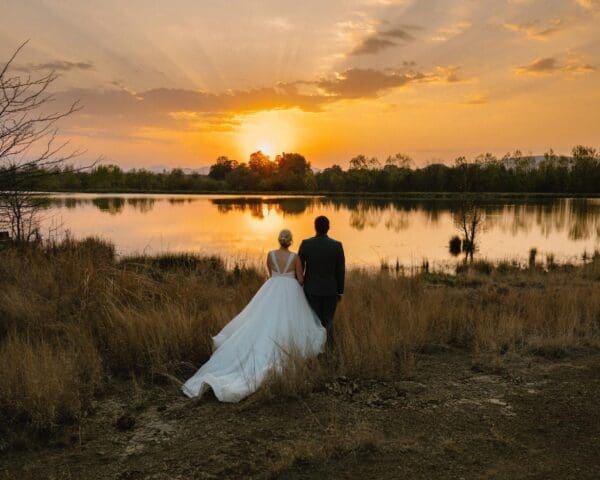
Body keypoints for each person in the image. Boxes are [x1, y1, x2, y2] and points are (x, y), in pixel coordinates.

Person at [182, 229, 326, 402]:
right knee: (287, 323)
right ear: (291, 241)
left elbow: (271, 273)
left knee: (261, 320)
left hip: (271, 289)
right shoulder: (295, 257)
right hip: (290, 290)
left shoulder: (270, 255)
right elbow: (301, 280)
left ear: (279, 240)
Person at [298, 216, 345, 350]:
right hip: (330, 290)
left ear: (315, 227)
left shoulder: (306, 244)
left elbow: (300, 268)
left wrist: (298, 286)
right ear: (328, 227)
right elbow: (340, 270)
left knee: (314, 321)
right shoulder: (337, 246)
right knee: (328, 320)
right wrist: (340, 291)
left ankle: (315, 349)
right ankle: (330, 348)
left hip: (311, 290)